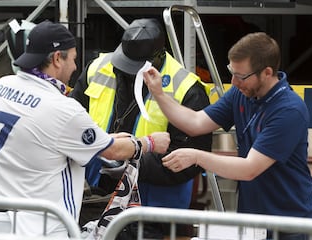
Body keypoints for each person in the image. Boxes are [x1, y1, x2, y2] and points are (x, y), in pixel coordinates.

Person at [0, 20, 170, 238]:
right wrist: (148, 143)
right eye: (73, 58)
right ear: (56, 58)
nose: (75, 67)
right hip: (36, 228)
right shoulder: (62, 108)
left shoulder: (2, 86)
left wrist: (102, 139)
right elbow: (113, 152)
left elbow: (42, 136)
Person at [143, 32, 312, 239]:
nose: (233, 81)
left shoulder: (288, 111)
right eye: (231, 72)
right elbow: (196, 123)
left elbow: (249, 169)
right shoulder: (241, 93)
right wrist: (159, 94)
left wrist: (197, 156)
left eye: (241, 76)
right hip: (253, 224)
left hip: (289, 225)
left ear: (267, 72)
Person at [70, 18, 212, 238]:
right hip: (95, 196)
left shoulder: (185, 88)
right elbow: (72, 123)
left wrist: (126, 163)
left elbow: (190, 158)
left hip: (150, 208)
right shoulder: (96, 68)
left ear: (157, 58)